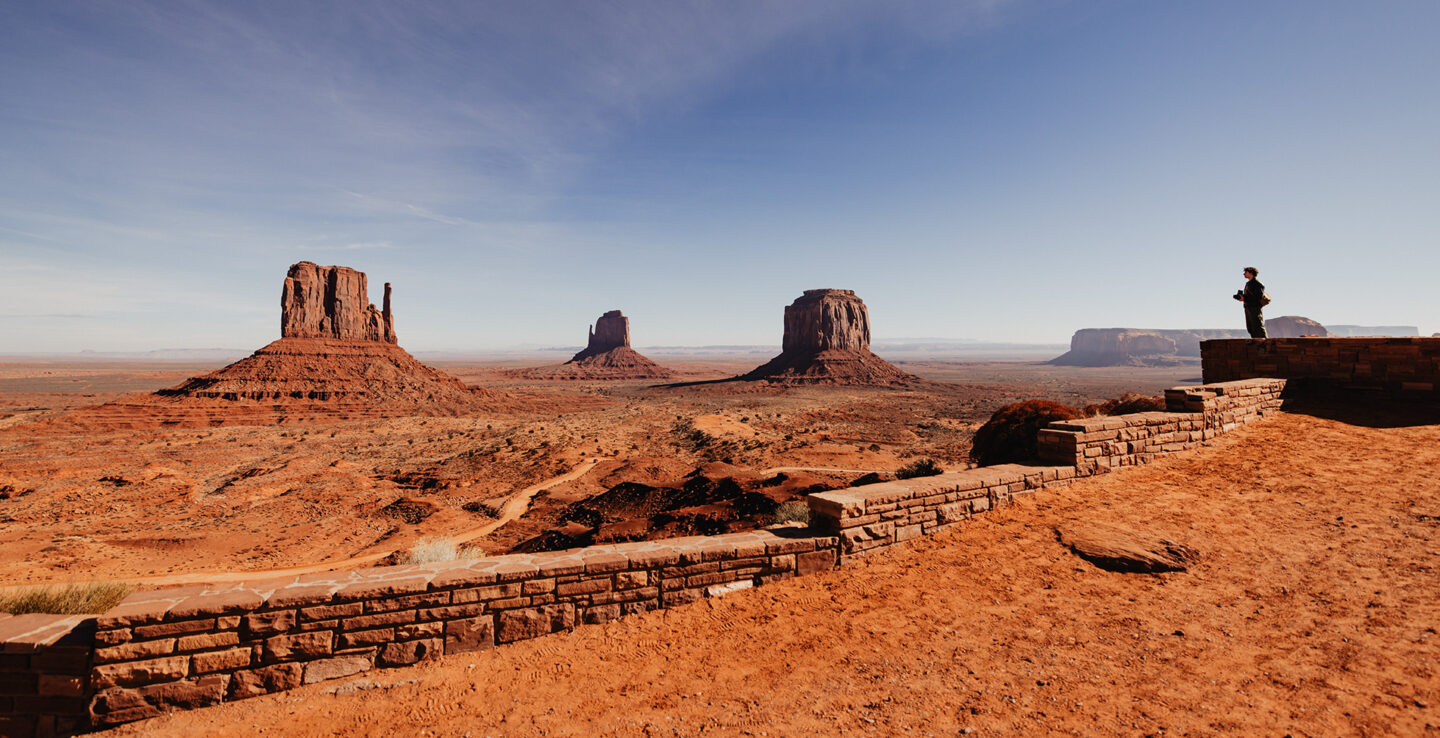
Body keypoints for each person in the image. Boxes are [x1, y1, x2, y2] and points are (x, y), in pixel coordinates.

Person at [1233, 267, 1266, 338]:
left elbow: (1258, 297)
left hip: (1255, 307)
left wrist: (1245, 298)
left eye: (1246, 272)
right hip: (1248, 307)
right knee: (1251, 327)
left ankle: (1264, 342)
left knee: (1258, 326)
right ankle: (1255, 342)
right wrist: (1242, 297)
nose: (1244, 274)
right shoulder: (1248, 284)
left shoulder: (1257, 284)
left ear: (1251, 273)